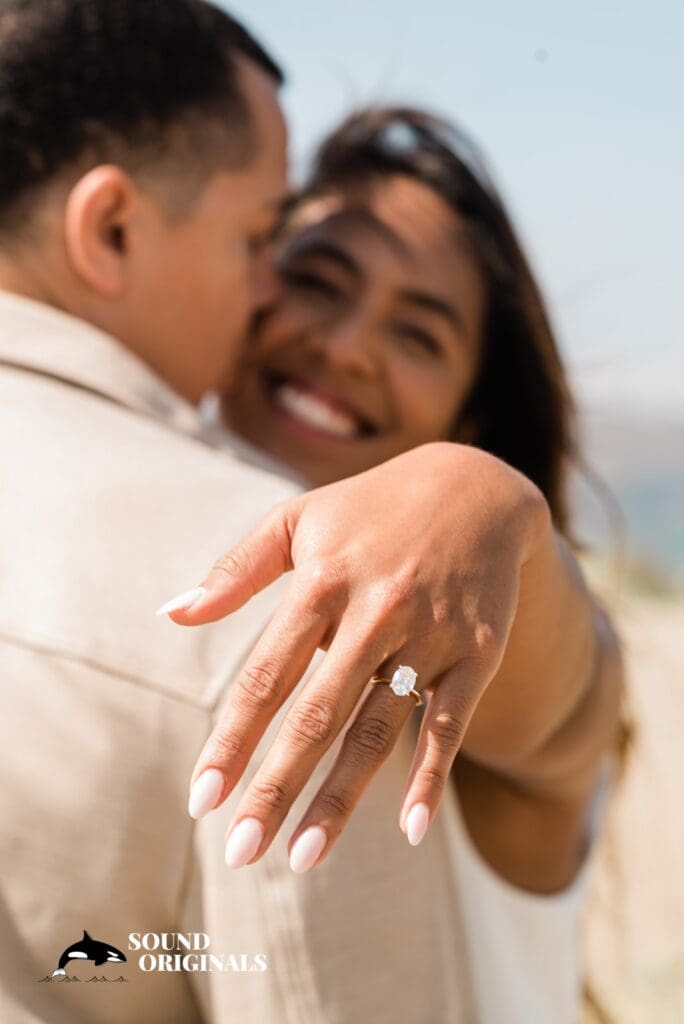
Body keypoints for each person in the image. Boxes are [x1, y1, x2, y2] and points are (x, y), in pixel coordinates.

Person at [167, 108, 624, 1021]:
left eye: (419, 336)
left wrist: (480, 496)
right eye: (316, 281)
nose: (342, 348)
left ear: (472, 415)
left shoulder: (488, 632)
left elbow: (577, 712)